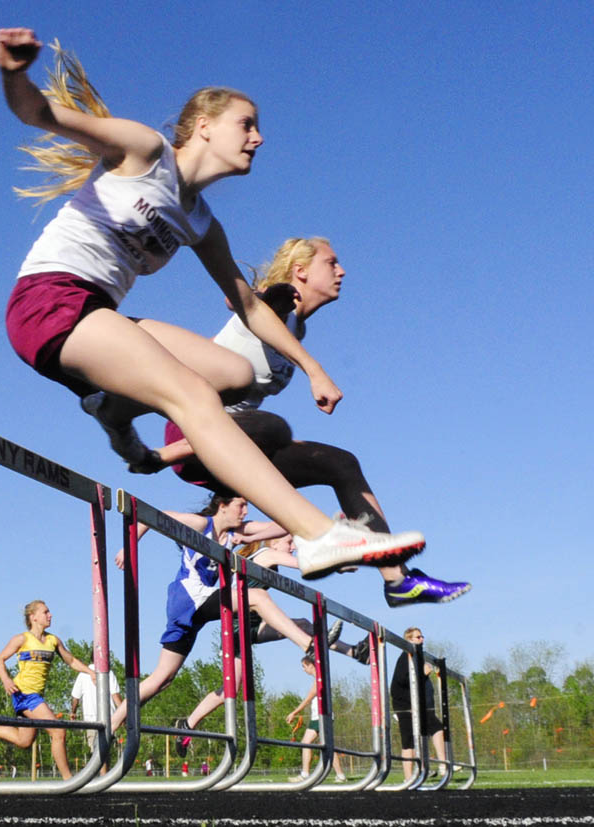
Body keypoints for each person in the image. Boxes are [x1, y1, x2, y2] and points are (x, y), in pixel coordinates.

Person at [0, 28, 424, 581]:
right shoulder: (145, 151)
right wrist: (13, 73)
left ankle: (114, 410)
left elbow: (249, 305)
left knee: (235, 373)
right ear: (203, 125)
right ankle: (317, 535)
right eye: (247, 124)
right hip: (47, 302)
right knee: (194, 395)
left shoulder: (201, 222)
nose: (259, 138)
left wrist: (314, 368)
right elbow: (37, 113)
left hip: (96, 312)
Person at [154, 236, 469, 607]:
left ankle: (396, 580)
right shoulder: (277, 303)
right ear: (301, 271)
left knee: (341, 463)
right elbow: (240, 300)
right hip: (196, 435)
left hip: (241, 445)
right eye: (332, 263)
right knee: (274, 427)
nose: (342, 271)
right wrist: (310, 363)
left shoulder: (296, 330)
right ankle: (161, 455)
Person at [110, 495, 333, 733]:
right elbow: (152, 515)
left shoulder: (235, 533)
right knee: (257, 597)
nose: (245, 511)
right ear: (223, 506)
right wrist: (128, 546)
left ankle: (113, 723)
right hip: (187, 599)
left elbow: (275, 526)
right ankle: (306, 643)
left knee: (164, 679)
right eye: (241, 505)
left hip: (203, 603)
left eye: (247, 505)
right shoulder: (200, 524)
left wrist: (296, 514)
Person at [173, 533, 366, 757]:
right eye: (289, 543)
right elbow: (304, 564)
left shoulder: (268, 559)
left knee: (304, 624)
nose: (292, 547)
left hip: (255, 626)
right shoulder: (266, 554)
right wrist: (337, 561)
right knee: (230, 690)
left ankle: (355, 652)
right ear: (274, 542)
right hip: (235, 629)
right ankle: (187, 725)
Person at [0, 600, 94, 780]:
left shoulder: (53, 640)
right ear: (33, 617)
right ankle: (69, 781)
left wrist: (90, 672)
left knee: (24, 741)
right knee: (58, 731)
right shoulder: (22, 639)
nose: (50, 615)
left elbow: (71, 661)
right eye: (45, 612)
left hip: (35, 696)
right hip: (24, 694)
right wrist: (6, 680)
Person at [390, 626, 446, 781]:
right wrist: (422, 674)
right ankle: (409, 778)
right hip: (404, 705)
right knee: (409, 741)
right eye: (418, 637)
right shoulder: (405, 657)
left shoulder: (417, 657)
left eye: (422, 636)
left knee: (431, 730)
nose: (422, 639)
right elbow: (402, 681)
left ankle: (433, 766)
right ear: (409, 640)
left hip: (417, 704)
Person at [286, 656, 346, 783]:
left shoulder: (319, 679)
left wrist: (294, 713)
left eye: (304, 666)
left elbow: (308, 699)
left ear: (310, 665)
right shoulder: (319, 678)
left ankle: (306, 774)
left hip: (321, 717)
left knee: (307, 742)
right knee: (320, 744)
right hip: (317, 717)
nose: (303, 669)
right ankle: (339, 775)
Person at [70, 659, 123, 774]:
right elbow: (116, 696)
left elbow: (75, 698)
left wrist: (73, 712)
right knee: (103, 751)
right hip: (110, 719)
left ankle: (102, 778)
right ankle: (103, 778)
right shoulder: (108, 672)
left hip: (91, 720)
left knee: (98, 751)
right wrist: (123, 714)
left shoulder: (83, 674)